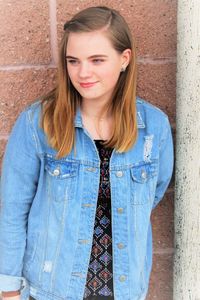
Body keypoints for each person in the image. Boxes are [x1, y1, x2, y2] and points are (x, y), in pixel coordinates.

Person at [0, 6, 174, 300]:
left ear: (124, 59)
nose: (83, 72)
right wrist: (8, 291)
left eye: (96, 60)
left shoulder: (153, 127)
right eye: (73, 61)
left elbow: (153, 194)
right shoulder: (38, 124)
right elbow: (13, 212)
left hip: (125, 291)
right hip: (50, 292)